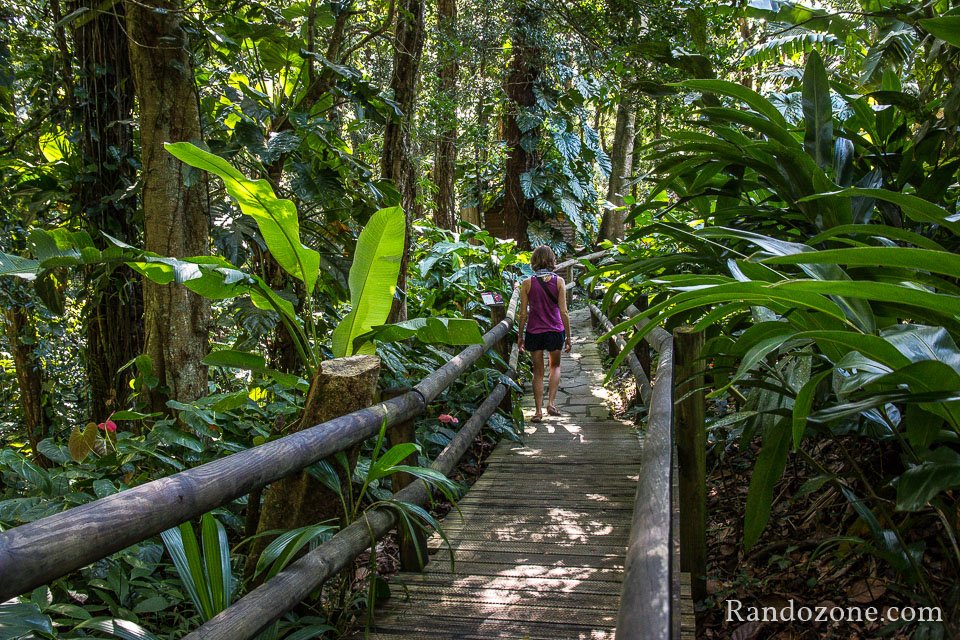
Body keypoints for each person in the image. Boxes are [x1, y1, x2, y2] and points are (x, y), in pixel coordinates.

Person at [516, 245, 571, 423]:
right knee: (555, 366)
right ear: (552, 260)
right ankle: (551, 404)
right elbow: (564, 312)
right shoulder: (559, 282)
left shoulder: (527, 283)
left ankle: (538, 411)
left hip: (534, 331)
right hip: (555, 330)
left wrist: (520, 336)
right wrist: (569, 336)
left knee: (537, 372)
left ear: (534, 261)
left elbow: (523, 313)